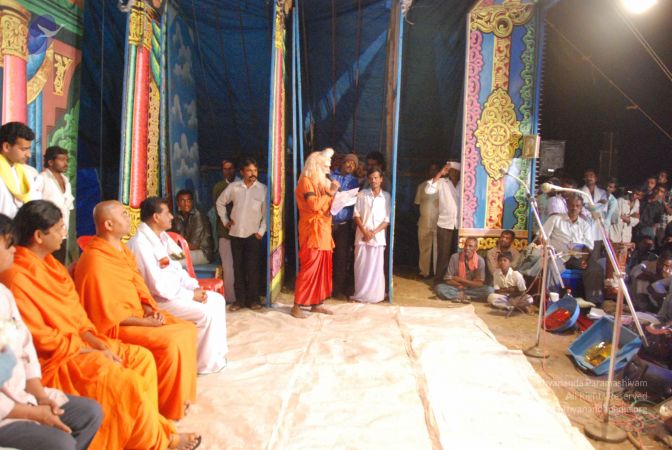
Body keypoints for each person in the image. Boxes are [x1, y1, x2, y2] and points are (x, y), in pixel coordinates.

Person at [0, 201, 201, 450]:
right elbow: (40, 340)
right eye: (60, 228)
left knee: (141, 360)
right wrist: (88, 349)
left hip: (80, 342)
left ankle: (146, 432)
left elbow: (78, 317)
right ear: (39, 236)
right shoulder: (17, 277)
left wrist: (97, 343)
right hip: (58, 358)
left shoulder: (53, 267)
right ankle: (158, 440)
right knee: (124, 380)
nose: (64, 233)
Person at [74, 200, 198, 421]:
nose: (129, 218)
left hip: (138, 315)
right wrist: (145, 322)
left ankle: (181, 399)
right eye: (123, 214)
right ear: (108, 225)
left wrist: (149, 308)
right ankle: (167, 407)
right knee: (171, 341)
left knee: (187, 329)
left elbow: (138, 286)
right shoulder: (95, 260)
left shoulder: (121, 250)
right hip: (116, 326)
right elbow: (105, 314)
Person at [0, 213, 102, 450]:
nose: (14, 250)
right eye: (8, 245)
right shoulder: (17, 278)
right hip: (6, 413)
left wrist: (40, 396)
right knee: (61, 443)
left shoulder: (4, 294)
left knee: (90, 413)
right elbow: (42, 338)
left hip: (23, 394)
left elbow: (25, 348)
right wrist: (32, 412)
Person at [128, 197, 228, 375]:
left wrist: (194, 288)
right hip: (159, 300)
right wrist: (190, 295)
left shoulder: (164, 238)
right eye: (167, 213)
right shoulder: (140, 244)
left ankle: (216, 356)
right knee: (205, 313)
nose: (172, 217)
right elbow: (156, 286)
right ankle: (201, 364)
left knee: (217, 300)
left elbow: (179, 267)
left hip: (177, 293)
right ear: (156, 217)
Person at [292, 148, 339, 318]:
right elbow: (314, 206)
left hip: (324, 231)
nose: (328, 169)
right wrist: (330, 192)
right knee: (309, 268)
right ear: (316, 166)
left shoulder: (322, 184)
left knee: (323, 269)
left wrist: (338, 199)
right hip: (311, 231)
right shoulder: (306, 182)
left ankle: (317, 303)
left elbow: (326, 206)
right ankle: (297, 305)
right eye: (325, 166)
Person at [215, 158, 267, 311]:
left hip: (253, 235)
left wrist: (261, 231)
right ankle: (239, 301)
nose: (253, 173)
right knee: (238, 268)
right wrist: (225, 221)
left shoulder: (263, 189)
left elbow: (267, 213)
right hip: (236, 233)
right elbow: (220, 202)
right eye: (249, 171)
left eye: (255, 170)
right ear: (242, 172)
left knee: (253, 268)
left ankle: (254, 300)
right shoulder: (234, 187)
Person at [351, 168, 391, 303]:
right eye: (371, 178)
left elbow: (387, 219)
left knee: (376, 268)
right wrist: (365, 232)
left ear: (381, 179)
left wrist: (373, 233)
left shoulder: (386, 196)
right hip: (362, 237)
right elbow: (356, 215)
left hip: (378, 238)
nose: (373, 180)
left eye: (376, 178)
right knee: (361, 267)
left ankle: (376, 296)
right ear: (368, 180)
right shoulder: (362, 194)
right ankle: (360, 295)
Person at [34, 146, 74, 263]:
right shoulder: (41, 178)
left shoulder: (66, 181)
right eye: (61, 160)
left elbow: (68, 207)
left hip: (62, 232)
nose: (65, 163)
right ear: (50, 162)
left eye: (66, 160)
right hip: (47, 231)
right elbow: (35, 205)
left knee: (59, 263)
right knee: (46, 263)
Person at [425, 161, 461, 285]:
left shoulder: (465, 183)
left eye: (456, 171)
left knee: (458, 254)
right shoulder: (442, 182)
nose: (454, 173)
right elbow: (429, 189)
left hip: (460, 224)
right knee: (443, 255)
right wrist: (440, 173)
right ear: (448, 172)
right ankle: (439, 281)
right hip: (445, 223)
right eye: (451, 170)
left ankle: (455, 280)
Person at [330, 153, 360, 299]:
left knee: (341, 257)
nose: (350, 165)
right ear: (343, 163)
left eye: (353, 164)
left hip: (344, 226)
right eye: (348, 162)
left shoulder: (355, 182)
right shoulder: (331, 177)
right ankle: (324, 288)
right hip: (328, 223)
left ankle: (337, 290)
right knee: (327, 256)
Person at [212, 159, 239, 303]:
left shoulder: (243, 185)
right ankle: (231, 298)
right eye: (225, 169)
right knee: (228, 267)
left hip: (242, 233)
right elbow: (217, 208)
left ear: (236, 169)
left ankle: (242, 297)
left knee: (241, 265)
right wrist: (227, 222)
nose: (228, 171)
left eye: (231, 168)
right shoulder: (218, 187)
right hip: (225, 233)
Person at [435, 237, 493, 302]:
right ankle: (466, 296)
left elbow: (480, 283)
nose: (467, 248)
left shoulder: (480, 260)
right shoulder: (455, 257)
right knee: (439, 288)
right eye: (465, 245)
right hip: (457, 287)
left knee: (489, 290)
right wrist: (461, 285)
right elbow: (448, 279)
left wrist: (461, 280)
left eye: (470, 246)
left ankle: (459, 296)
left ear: (476, 248)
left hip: (472, 289)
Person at [0, 122, 39, 218]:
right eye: (23, 149)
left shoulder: (27, 173)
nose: (29, 155)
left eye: (29, 149)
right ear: (6, 147)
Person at [171, 189, 214, 265]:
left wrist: (174, 244)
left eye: (188, 201)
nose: (186, 204)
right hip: (185, 250)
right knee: (165, 258)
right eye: (182, 201)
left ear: (192, 202)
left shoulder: (198, 217)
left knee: (173, 261)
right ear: (178, 203)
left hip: (202, 253)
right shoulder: (177, 218)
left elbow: (194, 246)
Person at [415, 163, 439, 278]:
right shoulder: (422, 186)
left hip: (439, 223)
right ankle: (424, 272)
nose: (433, 172)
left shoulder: (443, 186)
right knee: (424, 248)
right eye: (431, 169)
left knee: (438, 250)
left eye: (435, 170)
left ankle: (436, 273)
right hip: (424, 222)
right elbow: (417, 203)